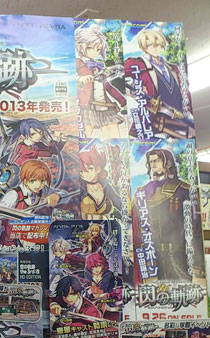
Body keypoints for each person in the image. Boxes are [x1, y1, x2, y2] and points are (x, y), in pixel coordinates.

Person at [132, 148, 204, 283]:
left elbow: (195, 229)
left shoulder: (183, 190)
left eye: (157, 160)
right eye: (150, 161)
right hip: (150, 257)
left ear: (168, 163)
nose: (153, 164)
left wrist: (198, 265)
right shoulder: (141, 193)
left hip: (177, 256)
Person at [124, 29, 193, 138]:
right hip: (153, 121)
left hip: (178, 121)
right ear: (144, 47)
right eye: (150, 45)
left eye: (157, 44)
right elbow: (118, 74)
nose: (155, 48)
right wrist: (132, 90)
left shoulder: (173, 68)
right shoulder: (137, 64)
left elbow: (186, 95)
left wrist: (191, 114)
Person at [75, 25, 126, 138]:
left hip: (105, 106)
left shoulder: (98, 66)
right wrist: (79, 79)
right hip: (86, 107)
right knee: (83, 138)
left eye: (98, 49)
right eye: (90, 48)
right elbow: (69, 78)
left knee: (114, 138)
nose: (95, 52)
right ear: (80, 46)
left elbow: (108, 87)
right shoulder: (77, 63)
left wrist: (123, 102)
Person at [0, 159, 59, 245]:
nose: (38, 185)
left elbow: (62, 194)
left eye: (42, 181)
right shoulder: (14, 194)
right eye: (33, 181)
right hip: (10, 241)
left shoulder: (42, 190)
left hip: (28, 236)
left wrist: (56, 195)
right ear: (25, 181)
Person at [79, 146, 121, 218]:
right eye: (81, 171)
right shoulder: (80, 187)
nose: (84, 174)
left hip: (107, 224)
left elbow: (119, 203)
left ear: (98, 169)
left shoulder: (105, 186)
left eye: (90, 169)